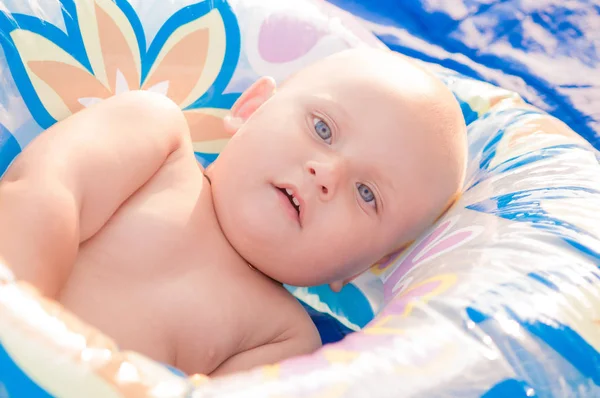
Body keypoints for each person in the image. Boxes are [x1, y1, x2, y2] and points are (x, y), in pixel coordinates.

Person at [0, 48, 467, 376]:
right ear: (252, 108)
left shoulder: (283, 340)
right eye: (322, 128)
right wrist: (22, 323)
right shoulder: (155, 137)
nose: (327, 174)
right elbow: (42, 193)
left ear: (366, 266)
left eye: (367, 194)